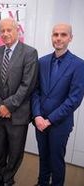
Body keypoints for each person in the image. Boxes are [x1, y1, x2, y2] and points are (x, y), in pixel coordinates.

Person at [31, 23, 84, 186]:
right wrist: (38, 115)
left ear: (70, 38)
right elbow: (35, 91)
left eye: (63, 35)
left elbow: (74, 99)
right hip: (40, 122)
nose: (58, 38)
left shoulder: (78, 64)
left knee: (56, 160)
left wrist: (50, 120)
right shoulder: (42, 61)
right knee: (43, 157)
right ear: (52, 37)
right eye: (55, 34)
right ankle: (42, 182)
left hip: (59, 124)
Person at [0, 18, 38, 186]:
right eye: (2, 30)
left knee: (15, 150)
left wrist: (8, 106)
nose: (5, 34)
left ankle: (8, 179)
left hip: (18, 114)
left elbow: (28, 84)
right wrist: (0, 105)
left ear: (18, 30)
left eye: (9, 30)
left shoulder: (29, 53)